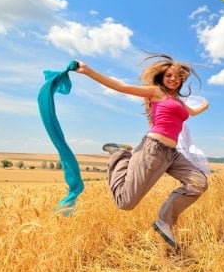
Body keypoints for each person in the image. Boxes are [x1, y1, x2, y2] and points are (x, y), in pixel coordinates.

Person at [75, 54, 209, 249]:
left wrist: (205, 106)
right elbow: (120, 87)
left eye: (177, 76)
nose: (173, 79)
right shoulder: (155, 92)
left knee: (199, 183)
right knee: (125, 203)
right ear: (162, 77)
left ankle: (164, 222)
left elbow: (193, 112)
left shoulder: (178, 101)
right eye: (169, 75)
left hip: (172, 154)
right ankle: (119, 155)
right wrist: (87, 71)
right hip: (153, 150)